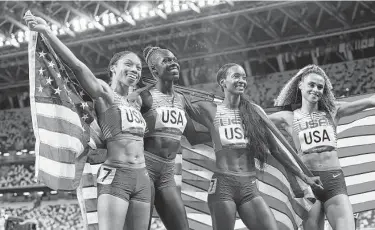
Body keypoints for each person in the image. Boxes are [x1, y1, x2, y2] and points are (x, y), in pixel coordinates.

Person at [25, 14, 151, 230]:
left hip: (142, 177)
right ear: (113, 68)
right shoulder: (105, 93)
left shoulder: (137, 102)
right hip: (116, 176)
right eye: (128, 64)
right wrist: (47, 32)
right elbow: (78, 67)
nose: (135, 70)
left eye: (138, 68)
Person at [182, 63, 323, 230]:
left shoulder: (253, 113)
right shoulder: (209, 109)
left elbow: (276, 149)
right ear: (222, 82)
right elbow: (178, 103)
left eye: (244, 77)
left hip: (249, 186)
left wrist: (304, 177)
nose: (242, 80)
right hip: (223, 185)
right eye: (236, 76)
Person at [270, 64, 375, 230]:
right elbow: (255, 121)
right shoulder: (287, 117)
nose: (316, 90)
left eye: (320, 87)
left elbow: (370, 101)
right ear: (300, 85)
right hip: (308, 184)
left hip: (334, 182)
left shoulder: (333, 111)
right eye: (311, 85)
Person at [139, 46, 190, 230]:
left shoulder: (182, 100)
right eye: (166, 61)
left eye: (174, 59)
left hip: (167, 174)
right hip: (144, 169)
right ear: (154, 70)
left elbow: (197, 133)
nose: (173, 62)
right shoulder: (145, 97)